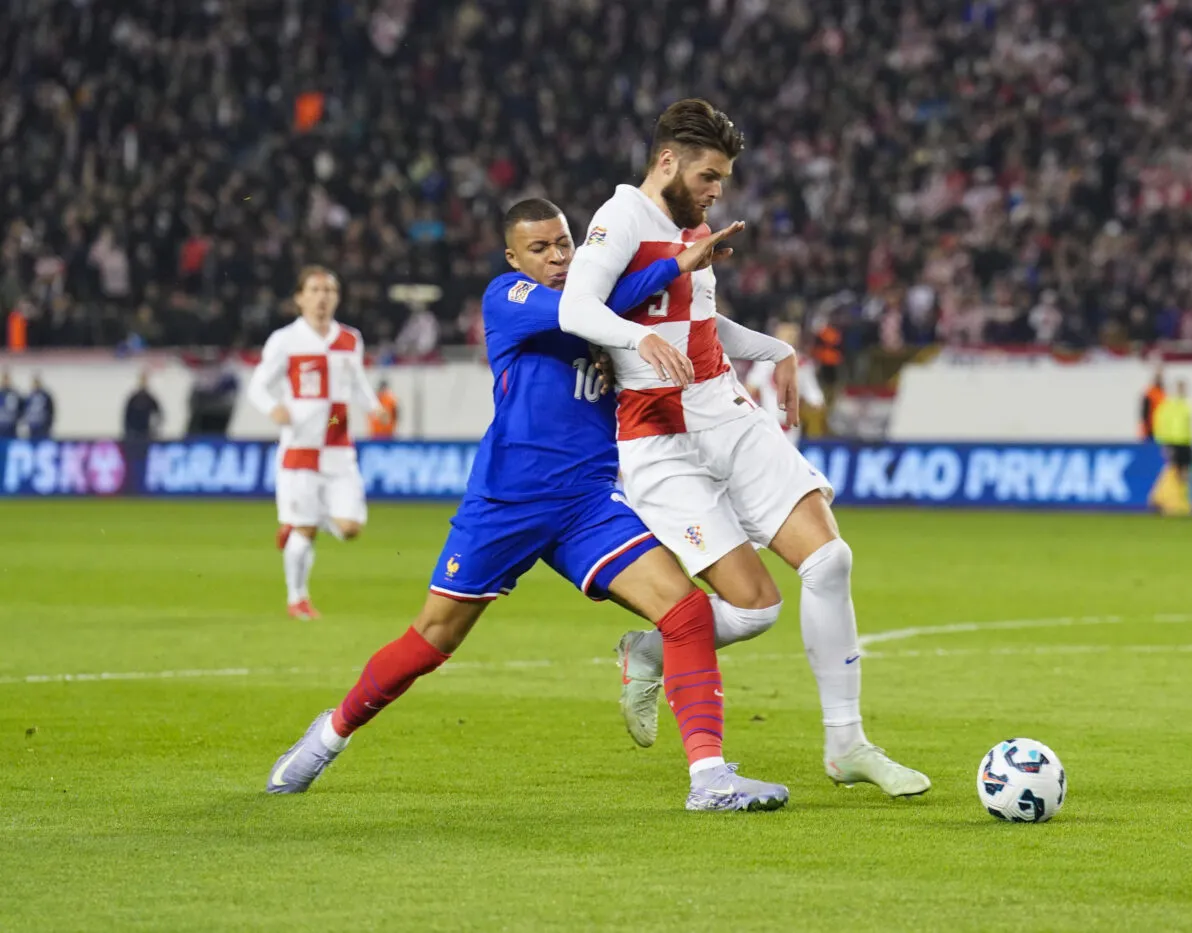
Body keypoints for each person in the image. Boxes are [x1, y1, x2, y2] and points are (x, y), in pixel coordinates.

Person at [266, 199, 788, 812]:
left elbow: (670, 321)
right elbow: (577, 313)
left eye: (564, 243)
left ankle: (710, 780)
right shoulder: (507, 296)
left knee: (687, 612)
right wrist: (674, 265)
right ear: (514, 257)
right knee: (431, 641)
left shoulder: (603, 294)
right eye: (540, 249)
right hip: (506, 501)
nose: (559, 258)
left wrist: (702, 286)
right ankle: (328, 738)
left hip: (588, 504)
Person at [560, 99, 929, 797]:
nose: (716, 191)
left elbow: (699, 320)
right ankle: (650, 648)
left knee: (829, 559)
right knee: (756, 608)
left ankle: (847, 743)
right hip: (659, 437)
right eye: (708, 175)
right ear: (667, 160)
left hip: (726, 411)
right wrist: (635, 339)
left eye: (722, 178)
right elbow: (575, 308)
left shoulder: (691, 225)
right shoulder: (620, 219)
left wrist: (775, 347)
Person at [246, 267, 386, 620]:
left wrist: (374, 407)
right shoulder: (285, 340)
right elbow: (257, 386)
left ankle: (296, 520)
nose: (322, 297)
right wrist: (272, 407)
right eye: (314, 289)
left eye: (329, 290)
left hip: (339, 443)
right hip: (300, 446)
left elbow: (356, 381)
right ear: (299, 298)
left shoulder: (350, 339)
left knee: (350, 528)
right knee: (306, 529)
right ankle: (298, 599)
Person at [746, 322, 827, 444]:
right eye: (786, 335)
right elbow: (750, 388)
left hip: (790, 427)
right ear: (777, 336)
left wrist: (815, 403)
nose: (790, 339)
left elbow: (814, 395)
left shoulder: (803, 365)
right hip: (767, 424)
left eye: (793, 336)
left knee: (787, 461)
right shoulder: (764, 361)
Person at [1152, 379, 1192, 517]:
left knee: (1185, 473)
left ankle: (1183, 503)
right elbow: (1160, 425)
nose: (1183, 391)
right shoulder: (1167, 406)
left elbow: (1188, 427)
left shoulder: (1187, 406)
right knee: (1174, 472)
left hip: (1186, 442)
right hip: (1173, 442)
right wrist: (1164, 443)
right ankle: (1163, 501)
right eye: (1180, 388)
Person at [122, 371, 164, 441]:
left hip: (145, 432)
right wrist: (128, 432)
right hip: (133, 433)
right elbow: (126, 416)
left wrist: (155, 430)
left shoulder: (149, 398)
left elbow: (159, 414)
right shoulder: (134, 398)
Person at [22, 375, 54, 439]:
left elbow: (50, 411)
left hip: (43, 427)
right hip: (32, 427)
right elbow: (25, 411)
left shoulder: (45, 396)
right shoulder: (29, 396)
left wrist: (48, 424)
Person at [0, 370, 20, 439]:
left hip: (11, 425)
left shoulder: (14, 394)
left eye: (7, 379)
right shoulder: (1, 393)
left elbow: (20, 408)